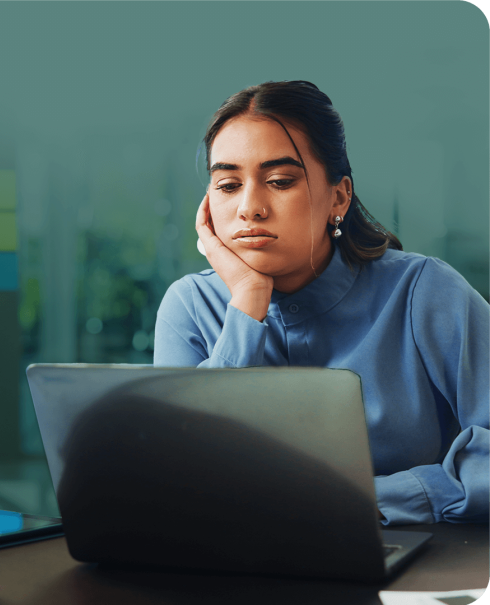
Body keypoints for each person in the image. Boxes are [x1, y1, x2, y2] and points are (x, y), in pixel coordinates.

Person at [153, 80, 489, 526]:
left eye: (279, 181)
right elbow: (175, 475)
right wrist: (249, 301)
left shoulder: (425, 292)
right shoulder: (190, 306)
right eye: (228, 185)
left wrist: (361, 502)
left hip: (412, 564)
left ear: (339, 196)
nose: (249, 207)